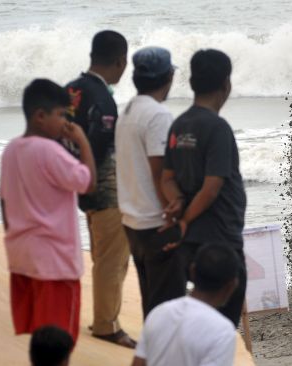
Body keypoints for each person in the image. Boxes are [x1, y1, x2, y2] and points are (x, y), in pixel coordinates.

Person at [0, 79, 97, 343]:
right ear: (40, 116)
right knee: (58, 341)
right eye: (61, 114)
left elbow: (4, 202)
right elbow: (88, 182)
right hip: (54, 262)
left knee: (41, 340)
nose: (65, 122)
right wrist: (82, 141)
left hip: (22, 255)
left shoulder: (11, 150)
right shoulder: (50, 151)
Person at [161, 49, 248, 327]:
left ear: (192, 83)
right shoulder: (217, 127)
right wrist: (184, 219)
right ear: (226, 84)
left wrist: (176, 203)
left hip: (191, 242)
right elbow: (212, 187)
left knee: (196, 318)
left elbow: (166, 178)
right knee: (223, 324)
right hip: (220, 237)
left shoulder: (179, 124)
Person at [65, 30, 136, 347]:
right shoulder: (103, 99)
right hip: (105, 190)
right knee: (113, 259)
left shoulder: (70, 90)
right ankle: (106, 325)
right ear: (121, 61)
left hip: (80, 188)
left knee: (102, 256)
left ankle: (106, 318)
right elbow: (98, 144)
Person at [115, 46, 179, 318]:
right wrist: (172, 215)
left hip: (132, 221)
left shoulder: (128, 111)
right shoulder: (158, 115)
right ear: (168, 77)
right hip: (156, 222)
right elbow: (160, 173)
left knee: (151, 304)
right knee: (167, 306)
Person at [132, 244, 240, 366]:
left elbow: (138, 363)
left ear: (192, 271)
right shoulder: (222, 332)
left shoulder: (159, 312)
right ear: (232, 285)